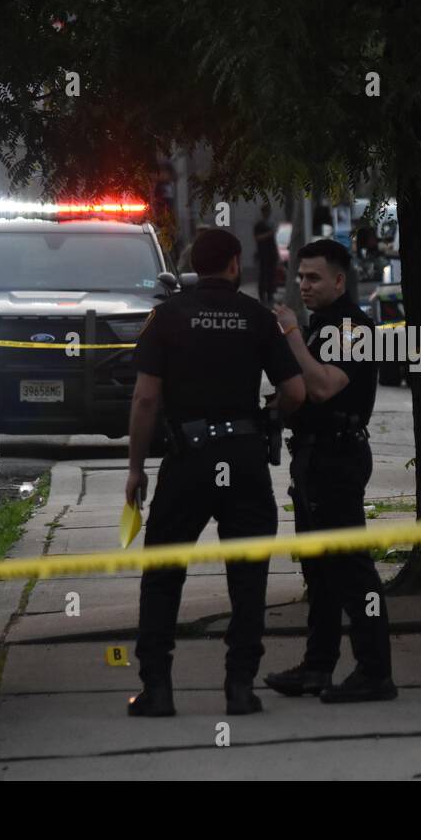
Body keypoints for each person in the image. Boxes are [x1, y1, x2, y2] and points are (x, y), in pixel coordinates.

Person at [125, 227, 305, 717]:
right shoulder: (258, 318)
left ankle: (157, 690)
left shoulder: (166, 318)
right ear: (234, 264)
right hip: (244, 459)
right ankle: (240, 688)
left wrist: (136, 469)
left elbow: (145, 399)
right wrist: (270, 419)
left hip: (188, 460)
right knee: (248, 577)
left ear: (192, 265)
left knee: (163, 574)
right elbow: (296, 392)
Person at [267, 239, 397, 703]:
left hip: (337, 459)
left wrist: (291, 337)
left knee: (350, 569)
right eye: (300, 277)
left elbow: (322, 387)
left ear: (339, 280)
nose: (304, 285)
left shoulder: (353, 328)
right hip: (312, 458)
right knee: (319, 571)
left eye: (314, 277)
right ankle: (317, 667)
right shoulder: (322, 325)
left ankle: (375, 671)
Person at [253, 202, 279, 305]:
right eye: (266, 211)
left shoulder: (271, 224)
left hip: (271, 253)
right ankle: (262, 295)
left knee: (271, 275)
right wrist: (269, 234)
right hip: (263, 254)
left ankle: (270, 295)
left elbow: (273, 241)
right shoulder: (259, 225)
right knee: (263, 275)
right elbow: (257, 238)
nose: (267, 214)